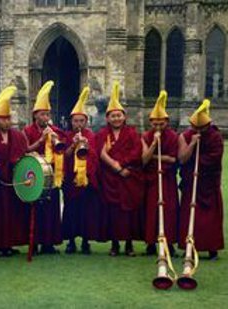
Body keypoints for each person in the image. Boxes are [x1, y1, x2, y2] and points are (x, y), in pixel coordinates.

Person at [95, 81, 144, 257]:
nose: (116, 119)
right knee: (113, 212)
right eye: (113, 116)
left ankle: (129, 245)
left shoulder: (132, 133)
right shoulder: (102, 134)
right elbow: (98, 153)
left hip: (129, 176)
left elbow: (136, 152)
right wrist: (116, 169)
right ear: (107, 118)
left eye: (119, 115)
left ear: (124, 117)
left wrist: (122, 165)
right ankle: (114, 244)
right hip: (111, 179)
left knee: (129, 211)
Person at [178, 99, 224, 260]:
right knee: (188, 214)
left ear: (208, 125)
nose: (198, 130)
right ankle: (188, 246)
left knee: (210, 217)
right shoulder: (185, 136)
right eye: (194, 127)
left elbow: (215, 157)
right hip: (191, 182)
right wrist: (192, 144)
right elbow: (182, 159)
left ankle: (212, 248)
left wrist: (201, 161)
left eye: (201, 128)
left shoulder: (216, 136)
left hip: (208, 182)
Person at [22, 81, 66, 254]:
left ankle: (49, 242)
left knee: (51, 208)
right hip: (35, 174)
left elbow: (61, 150)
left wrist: (55, 139)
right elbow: (25, 150)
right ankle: (35, 242)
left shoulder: (54, 130)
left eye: (48, 114)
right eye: (42, 114)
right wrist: (41, 140)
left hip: (51, 174)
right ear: (35, 116)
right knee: (36, 209)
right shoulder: (27, 131)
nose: (46, 117)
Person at [62, 86, 105, 254]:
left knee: (87, 210)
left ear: (86, 122)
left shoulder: (91, 135)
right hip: (72, 180)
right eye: (75, 121)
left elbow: (95, 156)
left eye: (82, 121)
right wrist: (73, 145)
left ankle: (86, 241)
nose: (78, 124)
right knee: (71, 209)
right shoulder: (66, 136)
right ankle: (71, 241)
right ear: (71, 122)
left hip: (86, 179)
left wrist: (87, 146)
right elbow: (64, 156)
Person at [0, 86, 29, 257]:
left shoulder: (18, 136)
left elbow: (23, 154)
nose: (6, 122)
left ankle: (10, 243)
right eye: (3, 119)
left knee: (14, 213)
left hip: (14, 180)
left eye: (8, 118)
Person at [141, 91, 179, 256]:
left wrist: (158, 158)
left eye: (161, 124)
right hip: (151, 181)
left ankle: (169, 244)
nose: (157, 127)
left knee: (169, 211)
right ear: (150, 123)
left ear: (167, 122)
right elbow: (144, 160)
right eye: (154, 124)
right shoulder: (145, 136)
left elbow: (174, 159)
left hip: (167, 180)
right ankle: (151, 244)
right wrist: (155, 144)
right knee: (151, 211)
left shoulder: (173, 137)